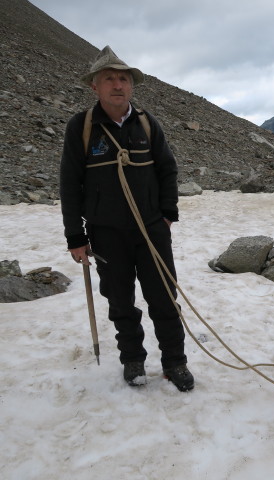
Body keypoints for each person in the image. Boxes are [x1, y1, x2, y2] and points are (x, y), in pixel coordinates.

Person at [59, 46, 194, 392]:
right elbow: (70, 183)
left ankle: (174, 362)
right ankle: (132, 359)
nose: (118, 85)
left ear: (131, 86)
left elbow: (168, 170)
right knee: (120, 300)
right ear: (95, 86)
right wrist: (76, 236)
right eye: (110, 79)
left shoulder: (147, 124)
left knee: (164, 298)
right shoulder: (82, 128)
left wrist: (167, 216)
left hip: (151, 230)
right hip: (106, 233)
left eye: (123, 79)